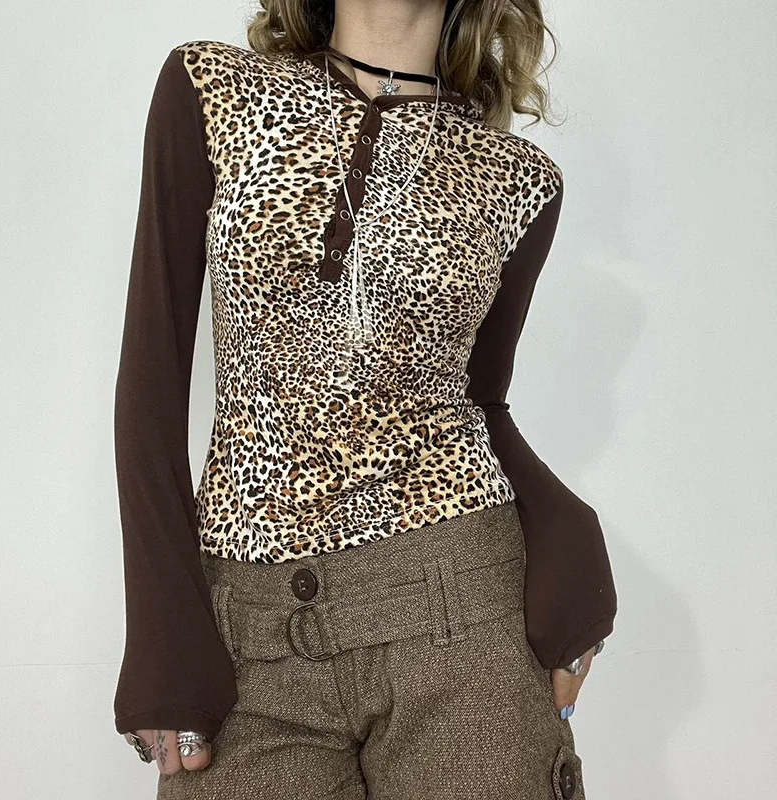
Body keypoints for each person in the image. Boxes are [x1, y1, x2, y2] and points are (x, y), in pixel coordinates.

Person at [112, 1, 617, 797]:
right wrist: (161, 630)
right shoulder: (213, 88)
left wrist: (563, 522)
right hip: (246, 635)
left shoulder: (518, 180)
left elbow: (480, 401)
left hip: (459, 602)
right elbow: (152, 375)